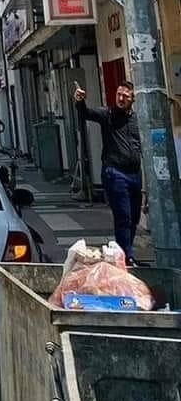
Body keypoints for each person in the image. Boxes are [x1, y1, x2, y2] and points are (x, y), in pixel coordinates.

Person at [75, 81, 143, 266]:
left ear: (133, 99)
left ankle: (125, 253)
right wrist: (80, 101)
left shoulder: (137, 119)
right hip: (115, 172)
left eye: (125, 96)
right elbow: (86, 113)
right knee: (124, 216)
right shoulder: (108, 115)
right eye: (119, 94)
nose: (121, 98)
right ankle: (126, 258)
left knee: (134, 216)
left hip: (135, 173)